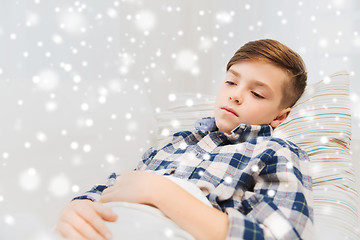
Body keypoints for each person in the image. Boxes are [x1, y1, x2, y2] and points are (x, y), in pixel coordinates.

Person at [55, 39, 313, 240]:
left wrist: (162, 192)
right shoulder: (173, 143)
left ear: (280, 116)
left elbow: (282, 234)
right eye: (230, 82)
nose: (235, 95)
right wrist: (80, 206)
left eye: (256, 93)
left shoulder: (277, 152)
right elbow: (122, 184)